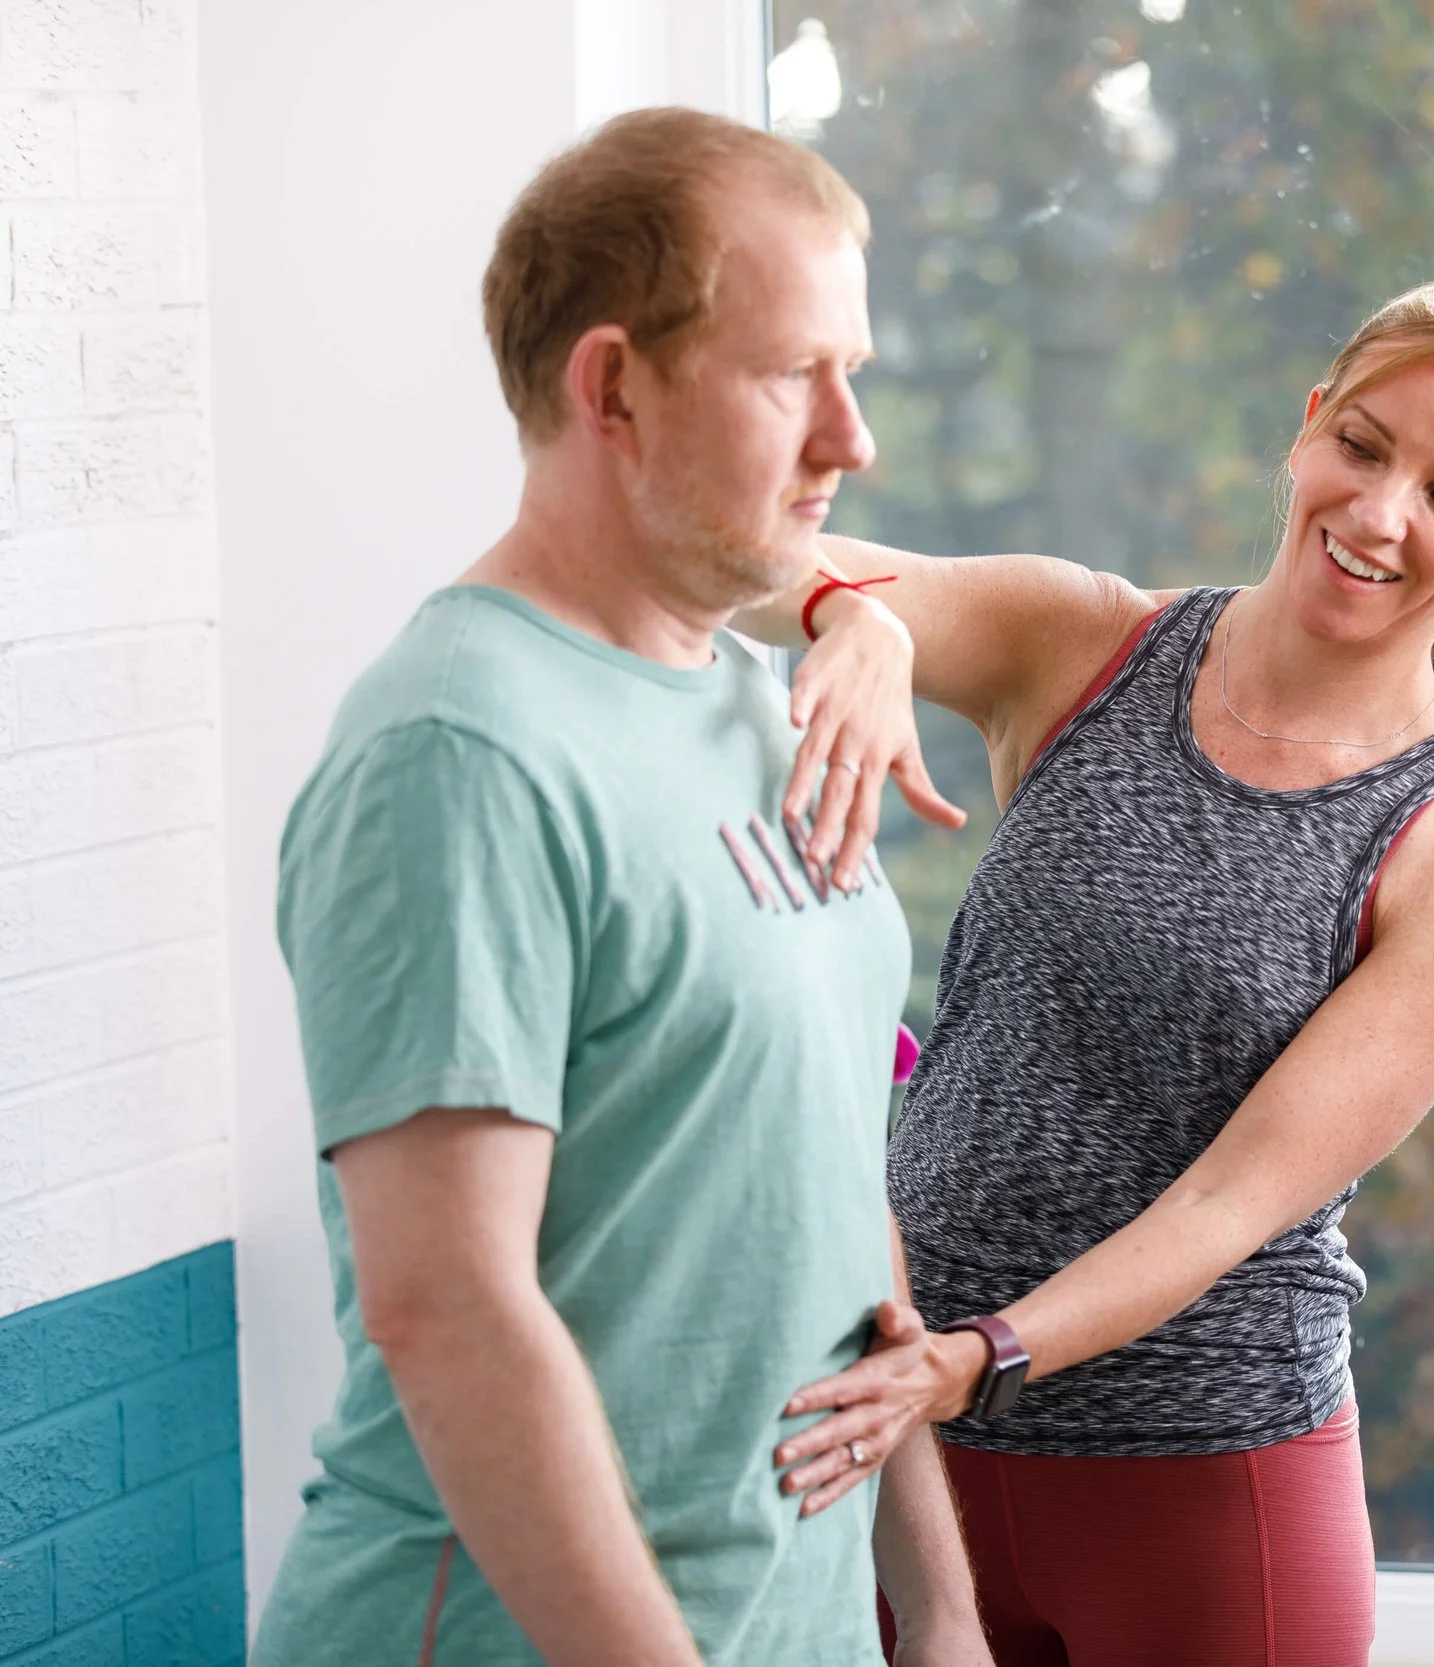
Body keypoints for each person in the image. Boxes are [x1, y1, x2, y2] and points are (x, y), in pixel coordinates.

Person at [741, 278, 1434, 1667]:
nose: (1382, 514)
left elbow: (1228, 1203)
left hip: (1203, 1501)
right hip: (901, 1456)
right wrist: (869, 621)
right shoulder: (1084, 643)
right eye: (1366, 447)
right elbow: (743, 564)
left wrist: (975, 1359)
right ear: (1308, 428)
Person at [249, 109, 987, 1667]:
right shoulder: (457, 750)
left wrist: (937, 1604)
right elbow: (448, 1308)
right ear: (612, 387)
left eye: (853, 372)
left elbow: (834, 1196)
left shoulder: (762, 707)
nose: (854, 438)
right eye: (797, 373)